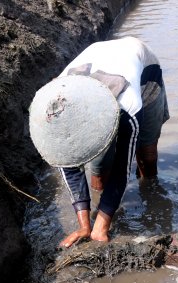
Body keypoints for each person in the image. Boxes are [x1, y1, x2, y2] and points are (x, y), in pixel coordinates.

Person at [29, 37, 169, 248]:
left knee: (146, 153)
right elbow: (69, 167)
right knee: (99, 174)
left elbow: (123, 169)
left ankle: (151, 189)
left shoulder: (129, 105)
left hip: (143, 70)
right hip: (95, 58)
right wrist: (85, 226)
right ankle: (96, 215)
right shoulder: (57, 103)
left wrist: (102, 227)